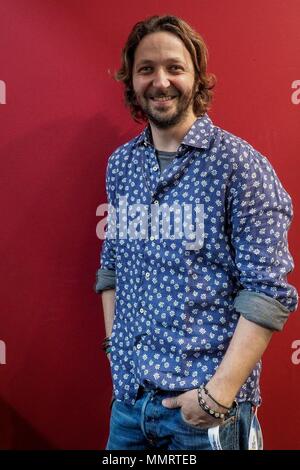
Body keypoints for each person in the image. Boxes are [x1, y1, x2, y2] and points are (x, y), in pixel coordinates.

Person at [94, 15, 298, 450]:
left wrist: (215, 397)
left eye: (174, 67)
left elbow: (267, 294)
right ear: (131, 80)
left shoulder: (239, 165)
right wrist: (118, 355)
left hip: (203, 416)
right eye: (146, 69)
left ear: (196, 77)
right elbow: (111, 268)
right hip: (130, 408)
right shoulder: (121, 165)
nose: (160, 80)